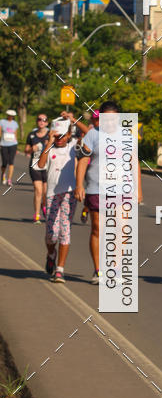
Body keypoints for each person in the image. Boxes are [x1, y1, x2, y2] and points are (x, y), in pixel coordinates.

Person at [75, 101, 143, 283]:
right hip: (97, 189)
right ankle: (98, 270)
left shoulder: (127, 136)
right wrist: (79, 185)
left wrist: (138, 190)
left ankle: (116, 269)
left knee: (121, 228)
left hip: (122, 189)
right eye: (106, 119)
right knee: (99, 229)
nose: (110, 123)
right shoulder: (92, 136)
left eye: (113, 119)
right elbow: (82, 161)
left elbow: (134, 162)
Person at [34, 113, 82, 283]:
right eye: (57, 136)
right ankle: (51, 253)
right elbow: (40, 165)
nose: (59, 139)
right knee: (51, 234)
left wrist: (73, 118)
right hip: (52, 194)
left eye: (63, 136)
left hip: (69, 193)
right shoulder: (49, 148)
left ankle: (60, 269)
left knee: (65, 231)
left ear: (69, 135)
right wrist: (49, 140)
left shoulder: (74, 147)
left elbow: (89, 133)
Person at [25, 113, 49, 222]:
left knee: (45, 192)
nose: (41, 121)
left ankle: (44, 205)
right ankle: (37, 215)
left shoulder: (50, 135)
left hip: (47, 166)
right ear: (37, 121)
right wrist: (31, 149)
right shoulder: (31, 135)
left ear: (47, 122)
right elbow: (26, 150)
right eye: (39, 119)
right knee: (38, 190)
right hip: (35, 166)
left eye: (44, 120)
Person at [0, 108, 19, 187]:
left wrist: (16, 145)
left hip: (13, 144)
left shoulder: (15, 123)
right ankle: (3, 175)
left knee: (11, 162)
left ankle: (9, 179)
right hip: (4, 144)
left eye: (12, 116)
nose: (11, 117)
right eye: (9, 115)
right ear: (7, 115)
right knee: (4, 162)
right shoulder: (2, 122)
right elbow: (0, 132)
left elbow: (15, 134)